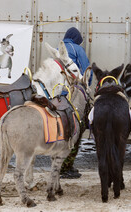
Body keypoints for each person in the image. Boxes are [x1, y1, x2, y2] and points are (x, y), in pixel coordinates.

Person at [59, 26, 90, 179]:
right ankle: (66, 167)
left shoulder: (59, 49)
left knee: (60, 131)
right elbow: (86, 72)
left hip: (57, 96)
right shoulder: (77, 49)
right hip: (73, 96)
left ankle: (58, 165)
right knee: (76, 129)